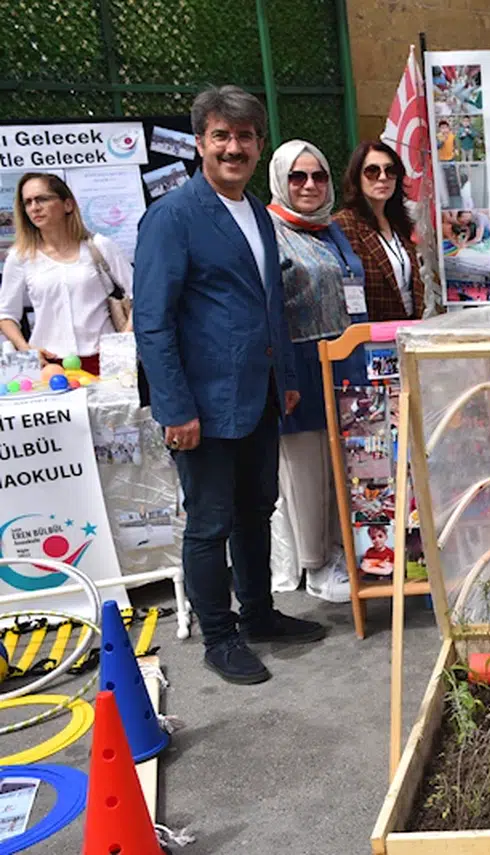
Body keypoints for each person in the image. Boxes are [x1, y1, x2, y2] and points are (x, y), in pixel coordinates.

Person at [134, 85, 326, 686]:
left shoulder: (257, 214)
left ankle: (259, 614)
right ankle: (219, 637)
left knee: (256, 510)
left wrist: (284, 379)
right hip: (202, 405)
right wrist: (174, 407)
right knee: (210, 521)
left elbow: (270, 305)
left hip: (259, 396)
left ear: (258, 145)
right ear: (199, 143)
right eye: (221, 136)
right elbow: (153, 321)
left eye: (245, 137)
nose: (233, 148)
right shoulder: (173, 216)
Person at [265, 139, 367, 599]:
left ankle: (344, 551)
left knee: (346, 464)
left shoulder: (329, 228)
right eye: (297, 176)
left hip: (348, 359)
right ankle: (316, 564)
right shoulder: (270, 230)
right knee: (307, 469)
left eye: (319, 176)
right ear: (279, 180)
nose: (309, 185)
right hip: (302, 363)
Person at [0, 173, 132, 375]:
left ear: (67, 204)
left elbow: (141, 296)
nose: (34, 207)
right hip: (48, 365)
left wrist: (123, 340)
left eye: (42, 199)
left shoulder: (99, 246)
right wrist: (25, 349)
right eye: (28, 202)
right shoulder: (20, 256)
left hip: (104, 361)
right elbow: (6, 314)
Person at [335, 141, 425, 321]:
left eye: (390, 170)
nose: (383, 177)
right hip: (369, 330)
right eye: (372, 171)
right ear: (357, 177)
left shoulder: (399, 223)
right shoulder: (343, 225)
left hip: (409, 326)